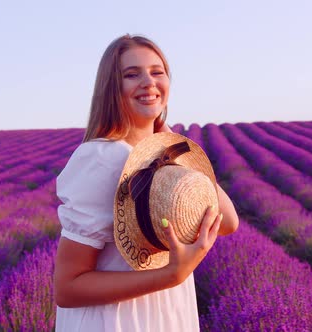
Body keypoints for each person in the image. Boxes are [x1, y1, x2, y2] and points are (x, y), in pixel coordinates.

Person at [53, 34, 239, 331]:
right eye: (131, 74)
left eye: (157, 72)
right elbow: (67, 287)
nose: (149, 82)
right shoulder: (101, 158)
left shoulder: (164, 158)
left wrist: (171, 144)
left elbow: (227, 221)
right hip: (117, 321)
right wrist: (171, 275)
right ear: (111, 87)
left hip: (165, 313)